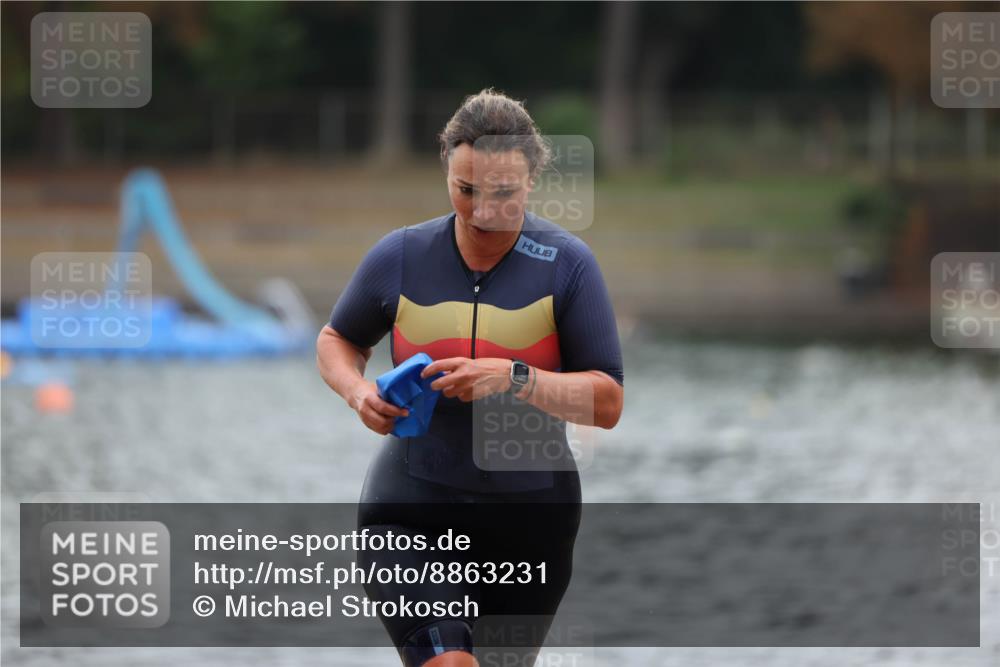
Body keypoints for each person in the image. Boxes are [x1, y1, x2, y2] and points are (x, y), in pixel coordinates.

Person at [317, 88, 624, 667]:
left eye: (503, 194)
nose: (482, 211)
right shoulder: (401, 256)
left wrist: (514, 377)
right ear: (446, 174)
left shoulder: (568, 266)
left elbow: (606, 402)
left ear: (532, 181)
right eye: (466, 190)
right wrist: (358, 393)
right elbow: (337, 340)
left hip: (529, 519)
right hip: (411, 510)